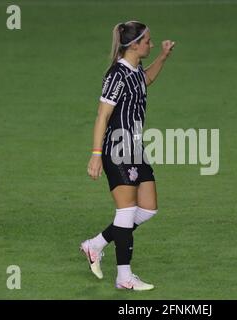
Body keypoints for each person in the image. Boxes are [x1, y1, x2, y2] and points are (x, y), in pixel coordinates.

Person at [80, 21, 175, 291]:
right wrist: (96, 154)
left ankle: (95, 244)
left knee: (147, 208)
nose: (151, 44)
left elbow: (146, 80)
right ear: (133, 45)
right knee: (126, 210)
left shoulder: (135, 70)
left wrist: (163, 57)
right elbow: (103, 115)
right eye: (148, 42)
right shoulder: (116, 75)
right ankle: (124, 277)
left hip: (135, 148)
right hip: (117, 148)